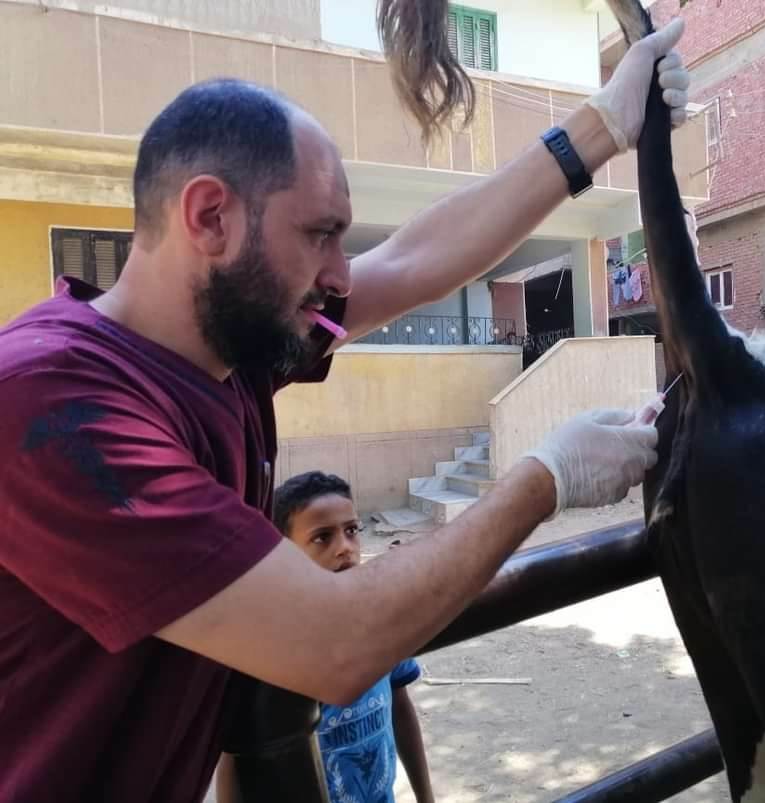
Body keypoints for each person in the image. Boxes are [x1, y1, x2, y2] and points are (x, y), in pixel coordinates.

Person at [0, 8, 689, 802]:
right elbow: (334, 641)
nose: (340, 274)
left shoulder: (232, 353)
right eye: (320, 235)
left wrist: (602, 126)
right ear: (210, 217)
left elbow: (415, 259)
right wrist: (548, 477)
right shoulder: (53, 404)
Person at [217, 472, 434, 803]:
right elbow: (233, 759)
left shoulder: (381, 623)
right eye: (322, 537)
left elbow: (400, 707)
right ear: (284, 554)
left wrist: (425, 797)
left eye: (352, 531)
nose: (345, 548)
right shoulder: (267, 650)